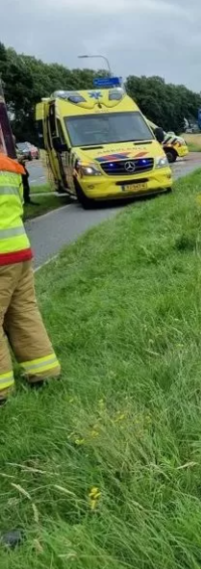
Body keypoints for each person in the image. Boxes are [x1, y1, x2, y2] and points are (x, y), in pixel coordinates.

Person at [0, 153, 61, 406]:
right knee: (23, 312)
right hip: (19, 251)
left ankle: (2, 390)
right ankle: (44, 372)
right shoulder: (10, 167)